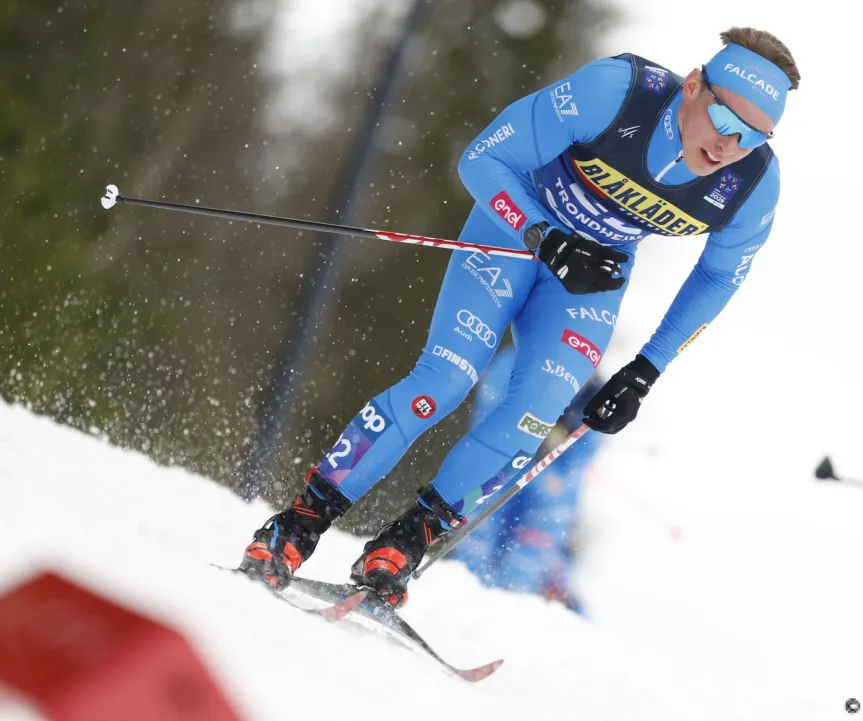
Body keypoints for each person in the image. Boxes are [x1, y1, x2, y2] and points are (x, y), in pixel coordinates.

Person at [240, 27, 801, 607]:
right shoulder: (615, 93)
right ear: (692, 87)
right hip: (510, 234)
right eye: (726, 121)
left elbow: (718, 277)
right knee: (445, 382)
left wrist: (645, 369)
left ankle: (401, 549)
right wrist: (542, 233)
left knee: (531, 420)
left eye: (753, 136)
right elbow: (483, 159)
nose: (730, 145)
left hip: (587, 284)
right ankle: (295, 528)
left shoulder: (753, 185)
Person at [450, 346, 605, 612]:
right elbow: (489, 417)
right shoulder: (516, 362)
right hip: (499, 469)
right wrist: (531, 436)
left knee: (538, 534)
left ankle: (513, 607)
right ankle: (462, 598)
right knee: (479, 531)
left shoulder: (594, 390)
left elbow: (585, 449)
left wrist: (558, 452)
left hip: (548, 482)